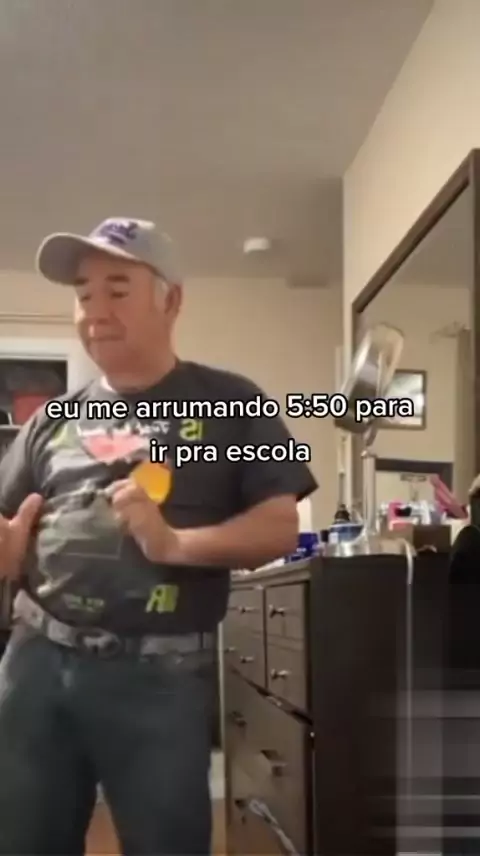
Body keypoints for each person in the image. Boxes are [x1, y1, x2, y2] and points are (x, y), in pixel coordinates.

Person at [0, 217, 318, 856]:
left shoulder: (234, 401)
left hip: (159, 677)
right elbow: (9, 522)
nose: (95, 312)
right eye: (84, 295)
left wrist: (175, 545)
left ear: (171, 300)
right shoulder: (52, 419)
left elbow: (280, 526)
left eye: (117, 291)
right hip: (36, 664)